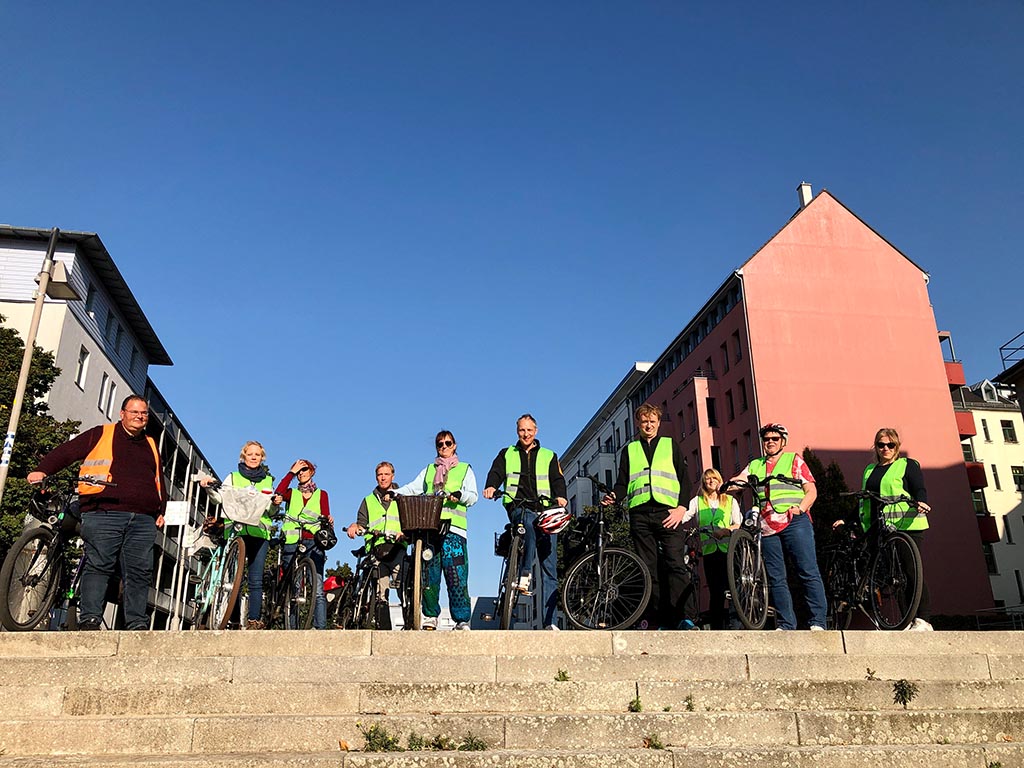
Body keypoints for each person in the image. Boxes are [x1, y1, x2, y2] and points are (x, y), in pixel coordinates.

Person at [28, 395, 166, 630]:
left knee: (139, 572)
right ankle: (90, 619)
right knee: (100, 564)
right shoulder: (101, 434)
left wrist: (161, 509)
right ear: (122, 414)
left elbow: (158, 479)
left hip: (143, 518)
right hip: (103, 511)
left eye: (143, 413)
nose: (139, 417)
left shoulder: (151, 444)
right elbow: (68, 451)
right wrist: (42, 470)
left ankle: (137, 624)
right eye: (134, 412)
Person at [602, 403, 696, 630]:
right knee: (648, 569)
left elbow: (684, 479)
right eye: (644, 421)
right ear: (638, 424)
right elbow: (622, 482)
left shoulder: (670, 445)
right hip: (640, 515)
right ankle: (658, 620)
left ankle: (685, 617)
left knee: (675, 564)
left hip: (668, 513)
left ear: (658, 423)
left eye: (652, 421)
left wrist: (682, 508)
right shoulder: (630, 450)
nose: (648, 425)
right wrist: (614, 496)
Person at [732, 423, 827, 631]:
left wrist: (801, 508)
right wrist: (729, 485)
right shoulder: (755, 465)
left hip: (794, 521)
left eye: (775, 439)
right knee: (776, 577)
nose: (770, 442)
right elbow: (739, 480)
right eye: (766, 439)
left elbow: (811, 490)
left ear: (782, 441)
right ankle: (786, 624)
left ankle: (818, 621)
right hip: (766, 526)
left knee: (807, 570)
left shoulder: (794, 460)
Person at [483, 414, 568, 630]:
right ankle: (524, 572)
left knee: (550, 568)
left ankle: (550, 623)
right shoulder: (507, 454)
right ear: (517, 431)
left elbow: (557, 479)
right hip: (518, 507)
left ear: (536, 431)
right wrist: (491, 486)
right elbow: (496, 472)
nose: (526, 434)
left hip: (545, 510)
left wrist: (561, 496)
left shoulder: (549, 455)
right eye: (522, 430)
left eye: (529, 430)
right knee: (527, 522)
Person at [394, 430, 479, 631]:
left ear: (454, 445)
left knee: (456, 576)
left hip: (454, 530)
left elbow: (473, 496)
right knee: (429, 575)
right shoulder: (429, 470)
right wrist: (394, 492)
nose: (444, 447)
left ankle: (461, 619)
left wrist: (460, 495)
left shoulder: (465, 469)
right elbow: (413, 488)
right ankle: (431, 616)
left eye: (448, 443)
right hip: (430, 528)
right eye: (440, 444)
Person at [852, 427, 933, 631]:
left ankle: (923, 619)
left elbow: (919, 488)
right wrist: (847, 519)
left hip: (907, 526)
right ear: (875, 447)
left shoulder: (907, 465)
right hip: (882, 529)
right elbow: (865, 500)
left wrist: (921, 501)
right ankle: (905, 621)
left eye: (890, 445)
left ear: (897, 446)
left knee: (911, 571)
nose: (886, 448)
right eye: (881, 445)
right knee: (894, 577)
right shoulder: (870, 470)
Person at [199, 440, 276, 629]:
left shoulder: (267, 480)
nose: (253, 457)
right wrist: (208, 487)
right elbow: (219, 498)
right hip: (235, 530)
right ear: (243, 456)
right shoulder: (232, 477)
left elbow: (270, 510)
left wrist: (276, 503)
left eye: (257, 455)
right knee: (235, 578)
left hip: (259, 532)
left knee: (256, 579)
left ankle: (254, 620)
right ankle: (232, 619)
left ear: (262, 458)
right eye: (250, 454)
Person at [346, 461, 406, 630]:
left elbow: (409, 521)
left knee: (403, 589)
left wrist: (404, 533)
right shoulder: (368, 501)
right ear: (376, 477)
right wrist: (354, 526)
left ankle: (409, 625)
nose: (383, 478)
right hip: (377, 550)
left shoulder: (402, 497)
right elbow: (361, 523)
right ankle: (384, 631)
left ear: (393, 476)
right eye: (380, 474)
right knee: (380, 593)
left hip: (397, 548)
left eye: (386, 474)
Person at [274, 459, 333, 629]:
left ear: (312, 472)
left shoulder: (322, 494)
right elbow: (278, 492)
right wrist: (290, 473)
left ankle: (320, 627)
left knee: (317, 586)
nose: (301, 473)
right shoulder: (292, 493)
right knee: (294, 587)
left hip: (313, 542)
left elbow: (325, 516)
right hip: (292, 541)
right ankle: (292, 627)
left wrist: (329, 520)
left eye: (304, 469)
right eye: (298, 471)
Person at [682, 468, 741, 630]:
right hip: (710, 553)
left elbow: (737, 524)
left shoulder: (730, 501)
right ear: (703, 482)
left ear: (720, 481)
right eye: (707, 479)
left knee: (733, 589)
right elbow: (685, 516)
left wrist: (725, 531)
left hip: (728, 551)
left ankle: (736, 626)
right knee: (715, 591)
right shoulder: (697, 501)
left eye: (714, 478)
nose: (711, 481)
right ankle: (717, 628)